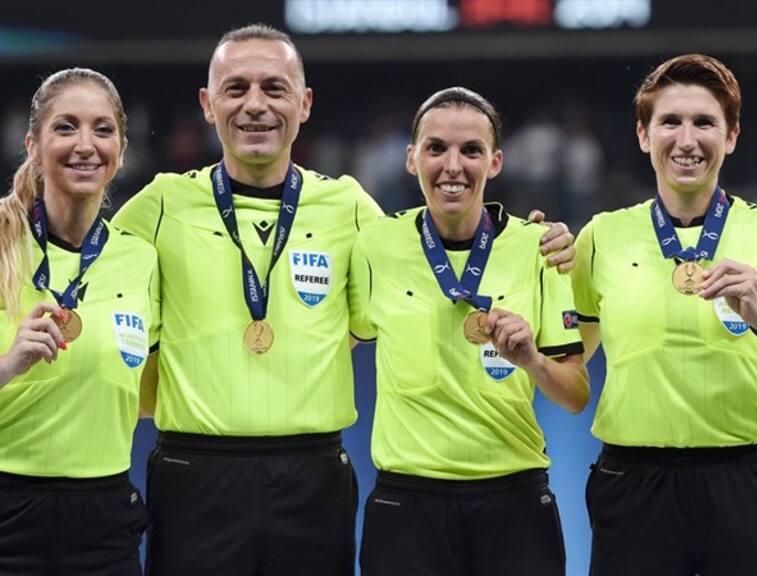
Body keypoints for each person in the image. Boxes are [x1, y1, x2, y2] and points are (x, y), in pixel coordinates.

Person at [113, 23, 577, 576]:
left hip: (314, 477)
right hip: (194, 472)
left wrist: (537, 241)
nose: (255, 105)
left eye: (274, 88)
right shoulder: (159, 204)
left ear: (304, 103)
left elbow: (433, 262)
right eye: (236, 89)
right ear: (207, 105)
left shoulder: (350, 208)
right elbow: (89, 284)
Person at [349, 87, 589, 576]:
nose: (453, 166)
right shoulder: (372, 245)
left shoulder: (539, 249)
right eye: (436, 148)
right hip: (406, 504)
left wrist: (533, 361)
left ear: (495, 162)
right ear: (411, 158)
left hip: (515, 501)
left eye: (471, 150)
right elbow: (334, 339)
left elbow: (576, 395)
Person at [572, 54, 757, 576]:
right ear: (643, 134)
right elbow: (569, 366)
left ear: (731, 137)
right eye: (670, 122)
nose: (687, 139)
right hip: (634, 484)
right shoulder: (601, 237)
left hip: (748, 479)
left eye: (705, 122)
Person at [0, 68, 159, 576]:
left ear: (122, 148)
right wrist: (8, 365)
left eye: (103, 129)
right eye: (65, 127)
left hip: (105, 517)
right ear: (33, 144)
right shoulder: (3, 246)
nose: (85, 145)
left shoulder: (142, 259)